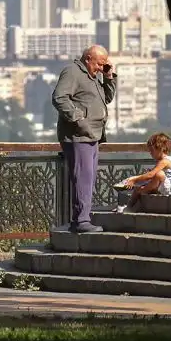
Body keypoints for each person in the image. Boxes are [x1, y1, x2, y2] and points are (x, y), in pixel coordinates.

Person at [52, 44, 117, 233]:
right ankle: (81, 221)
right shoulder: (73, 72)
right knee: (83, 178)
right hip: (78, 135)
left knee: (87, 178)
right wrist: (78, 118)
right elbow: (59, 97)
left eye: (104, 64)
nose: (100, 68)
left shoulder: (93, 77)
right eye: (99, 64)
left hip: (92, 135)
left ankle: (81, 218)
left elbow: (107, 98)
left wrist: (108, 77)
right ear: (88, 58)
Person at [115, 132, 171, 213]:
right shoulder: (161, 161)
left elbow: (151, 175)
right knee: (137, 190)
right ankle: (128, 207)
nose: (150, 153)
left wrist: (135, 180)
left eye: (152, 150)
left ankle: (144, 190)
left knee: (159, 174)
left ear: (161, 148)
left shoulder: (165, 161)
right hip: (163, 187)